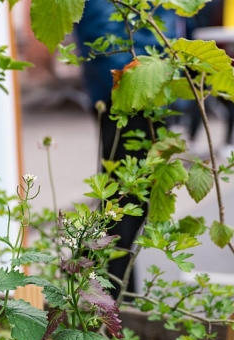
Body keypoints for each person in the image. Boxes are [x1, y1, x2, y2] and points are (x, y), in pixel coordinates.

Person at [75, 0, 182, 294]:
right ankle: (111, 296)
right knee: (127, 194)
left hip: (137, 70)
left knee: (125, 190)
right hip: (132, 76)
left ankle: (107, 291)